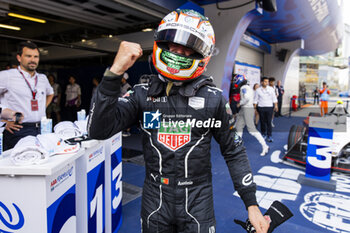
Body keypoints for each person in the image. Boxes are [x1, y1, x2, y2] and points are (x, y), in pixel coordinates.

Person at [88, 9, 268, 233]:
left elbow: (234, 151)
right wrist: (114, 72)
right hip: (155, 195)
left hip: (198, 198)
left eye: (188, 47)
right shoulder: (142, 93)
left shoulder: (213, 99)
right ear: (161, 44)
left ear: (201, 53)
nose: (179, 52)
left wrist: (251, 203)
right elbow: (97, 130)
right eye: (173, 45)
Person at [0, 41, 54, 150]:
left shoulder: (42, 78)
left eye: (36, 57)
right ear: (19, 58)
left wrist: (42, 108)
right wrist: (3, 123)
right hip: (18, 130)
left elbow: (50, 93)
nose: (33, 60)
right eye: (28, 56)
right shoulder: (6, 76)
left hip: (42, 128)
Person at [234, 75, 269, 156]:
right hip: (245, 109)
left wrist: (240, 103)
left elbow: (246, 98)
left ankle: (265, 146)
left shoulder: (244, 88)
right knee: (238, 126)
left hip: (247, 109)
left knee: (251, 130)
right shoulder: (246, 87)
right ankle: (237, 146)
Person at [254, 77, 278, 142]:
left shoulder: (271, 89)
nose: (266, 83)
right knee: (262, 122)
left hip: (269, 107)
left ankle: (269, 135)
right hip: (261, 107)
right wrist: (255, 108)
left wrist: (276, 106)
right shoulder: (258, 90)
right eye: (265, 81)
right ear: (262, 82)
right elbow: (255, 100)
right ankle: (263, 133)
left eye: (267, 82)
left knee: (269, 122)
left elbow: (274, 98)